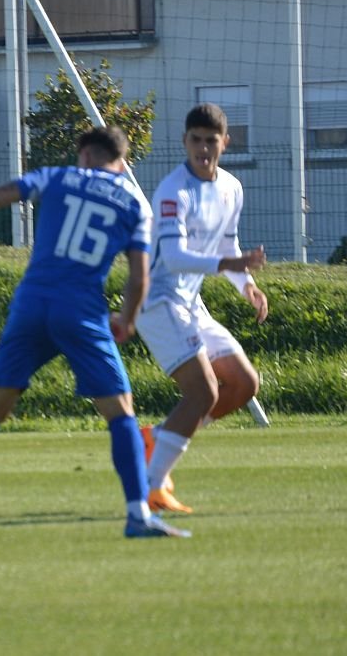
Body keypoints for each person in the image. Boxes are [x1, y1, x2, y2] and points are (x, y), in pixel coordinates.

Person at [0, 125, 190, 542]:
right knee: (121, 414)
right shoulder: (133, 203)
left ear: (85, 155)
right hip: (82, 310)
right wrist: (127, 320)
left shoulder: (56, 176)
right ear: (121, 161)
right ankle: (137, 515)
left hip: (31, 304)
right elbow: (139, 278)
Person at [138, 103, 269, 515]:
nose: (203, 148)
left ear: (225, 143)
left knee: (244, 384)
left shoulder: (232, 188)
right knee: (203, 391)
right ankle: (153, 485)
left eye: (211, 141)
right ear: (184, 142)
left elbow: (228, 243)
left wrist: (247, 285)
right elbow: (175, 257)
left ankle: (157, 439)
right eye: (195, 140)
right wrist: (231, 264)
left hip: (191, 303)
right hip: (158, 300)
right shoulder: (172, 191)